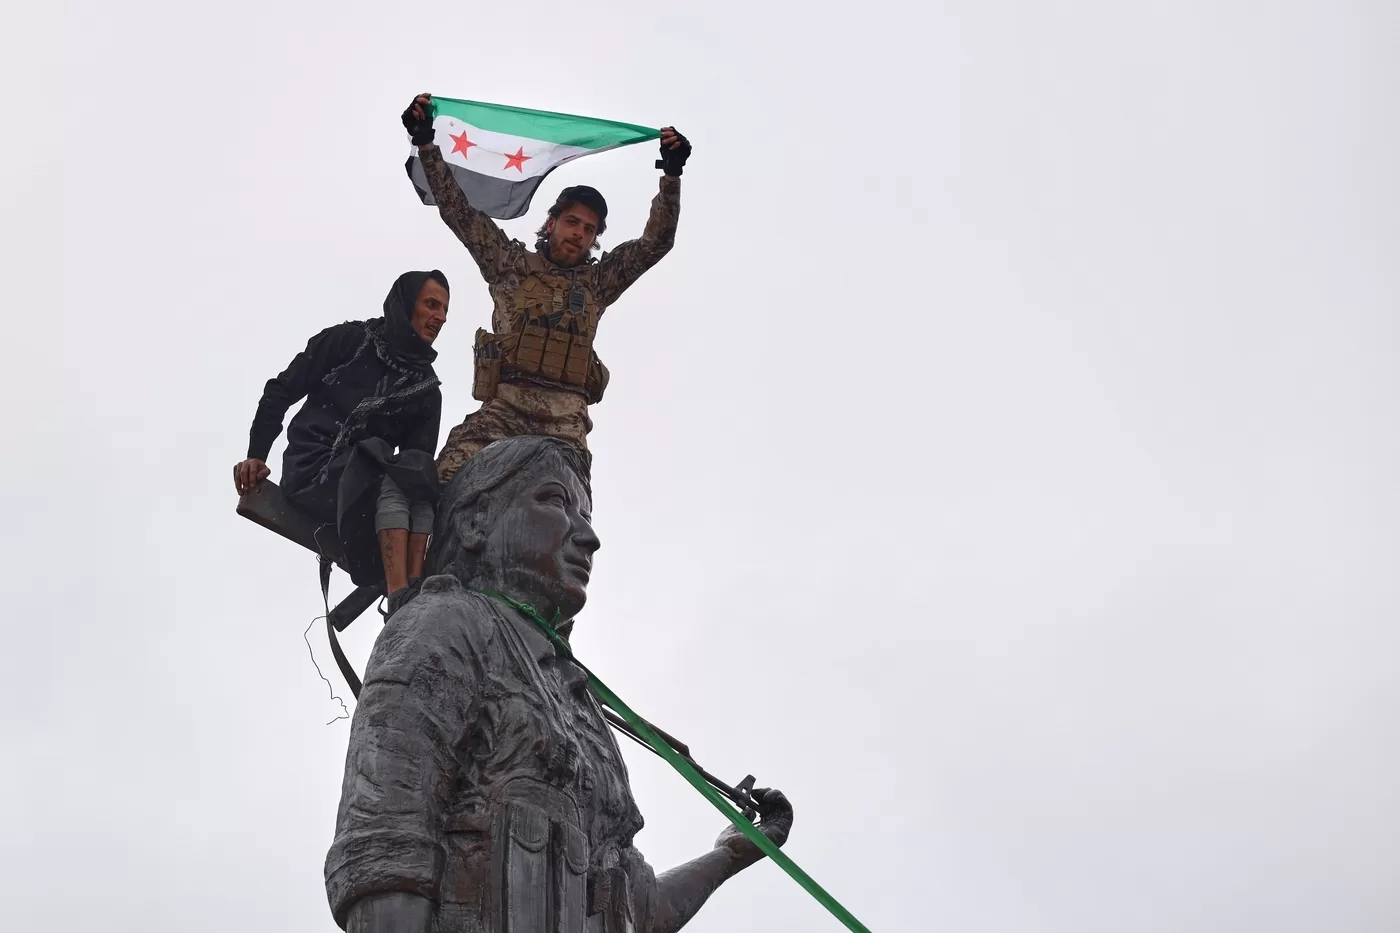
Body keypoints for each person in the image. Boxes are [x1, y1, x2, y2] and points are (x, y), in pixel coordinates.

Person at [324, 435, 794, 933]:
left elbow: (634, 909)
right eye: (555, 501)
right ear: (475, 522)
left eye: (586, 515)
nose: (588, 536)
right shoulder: (447, 624)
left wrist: (733, 852)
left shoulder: (578, 705)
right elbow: (383, 849)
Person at [400, 92, 692, 485]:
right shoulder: (508, 264)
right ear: (552, 223)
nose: (579, 233)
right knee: (447, 474)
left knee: (567, 501)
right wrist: (426, 144)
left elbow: (656, 243)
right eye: (572, 222)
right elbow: (458, 212)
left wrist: (671, 177)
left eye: (589, 229)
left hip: (566, 424)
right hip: (504, 409)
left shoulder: (599, 283)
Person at [234, 271, 449, 608]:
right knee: (387, 471)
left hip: (365, 498)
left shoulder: (426, 391)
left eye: (445, 311)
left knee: (420, 482)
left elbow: (416, 467)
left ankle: (414, 591)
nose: (440, 317)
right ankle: (398, 595)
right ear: (407, 304)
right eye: (432, 305)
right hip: (312, 470)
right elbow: (280, 391)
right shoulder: (350, 341)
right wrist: (256, 455)